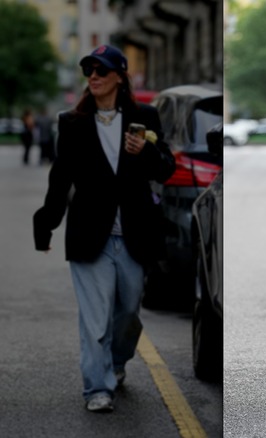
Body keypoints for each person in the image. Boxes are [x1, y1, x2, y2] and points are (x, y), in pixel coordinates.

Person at [33, 45, 175, 413]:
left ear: (119, 77)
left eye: (101, 70)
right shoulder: (73, 122)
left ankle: (116, 362)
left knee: (128, 313)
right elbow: (59, 179)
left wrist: (144, 151)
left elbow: (165, 169)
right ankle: (97, 387)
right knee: (94, 320)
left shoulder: (144, 117)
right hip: (89, 237)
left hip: (134, 236)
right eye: (88, 70)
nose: (93, 76)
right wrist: (45, 226)